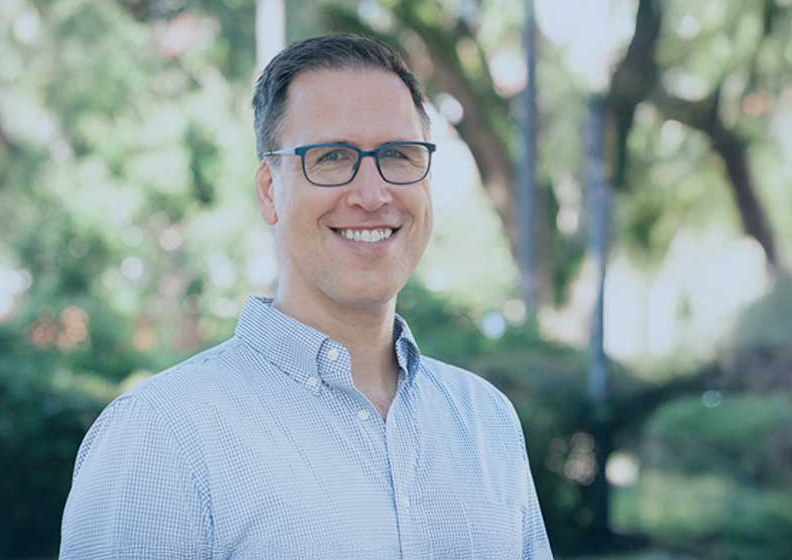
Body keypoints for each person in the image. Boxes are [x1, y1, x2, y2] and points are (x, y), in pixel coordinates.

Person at [59, 33, 553, 559]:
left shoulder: (487, 421)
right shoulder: (161, 436)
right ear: (270, 190)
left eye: (399, 155)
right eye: (333, 157)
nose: (371, 194)